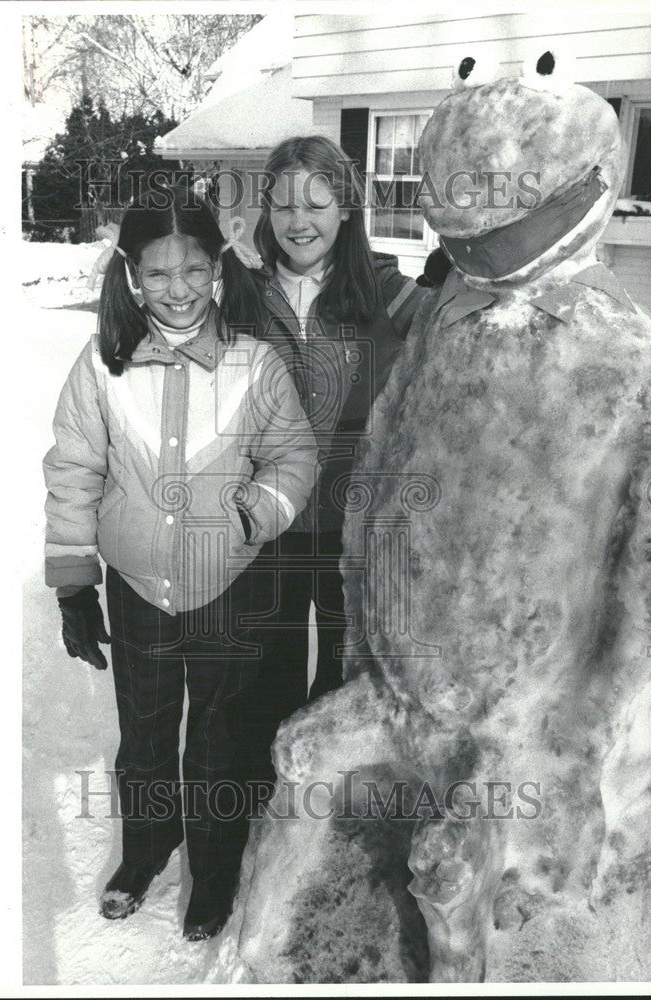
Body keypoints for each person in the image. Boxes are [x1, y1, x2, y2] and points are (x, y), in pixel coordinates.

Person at [42, 183, 317, 941]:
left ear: (220, 272)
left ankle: (215, 865)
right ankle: (149, 844)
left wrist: (258, 509)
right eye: (158, 274)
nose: (179, 290)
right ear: (131, 277)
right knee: (147, 731)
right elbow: (73, 470)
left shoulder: (254, 366)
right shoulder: (102, 368)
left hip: (227, 584)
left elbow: (293, 454)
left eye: (195, 271)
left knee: (219, 736)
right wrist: (74, 585)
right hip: (138, 592)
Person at [239, 135, 450, 793]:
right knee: (262, 678)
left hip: (352, 530)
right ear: (265, 215)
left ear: (346, 210)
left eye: (317, 204)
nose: (299, 222)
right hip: (263, 527)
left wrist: (461, 273)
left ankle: (326, 819)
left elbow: (460, 340)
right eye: (283, 207)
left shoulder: (389, 295)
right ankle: (261, 809)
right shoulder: (239, 297)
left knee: (343, 678)